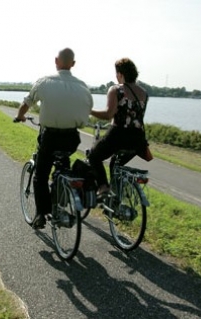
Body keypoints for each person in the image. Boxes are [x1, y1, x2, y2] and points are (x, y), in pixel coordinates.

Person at [15, 48, 93, 229]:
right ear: (73, 64)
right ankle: (61, 198)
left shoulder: (44, 82)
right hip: (72, 138)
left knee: (40, 175)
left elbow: (26, 104)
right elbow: (87, 108)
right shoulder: (82, 86)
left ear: (56, 61)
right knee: (62, 166)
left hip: (50, 136)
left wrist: (20, 117)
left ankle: (41, 214)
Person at [88, 58, 149, 198]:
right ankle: (117, 198)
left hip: (118, 136)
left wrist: (89, 111)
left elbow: (108, 114)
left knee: (94, 157)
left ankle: (103, 187)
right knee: (115, 165)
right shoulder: (144, 93)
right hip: (138, 140)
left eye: (117, 74)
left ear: (121, 74)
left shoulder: (116, 89)